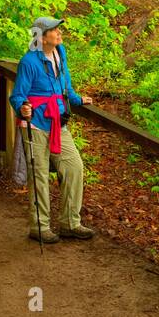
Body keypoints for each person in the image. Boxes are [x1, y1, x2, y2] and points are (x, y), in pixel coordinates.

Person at [10, 16, 95, 244]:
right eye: (54, 30)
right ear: (41, 36)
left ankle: (70, 223)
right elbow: (18, 95)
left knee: (74, 167)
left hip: (59, 123)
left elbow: (65, 84)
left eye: (58, 29)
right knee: (39, 176)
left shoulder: (60, 53)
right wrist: (22, 107)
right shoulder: (29, 62)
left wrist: (76, 99)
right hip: (36, 124)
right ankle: (40, 227)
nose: (59, 33)